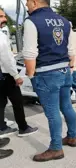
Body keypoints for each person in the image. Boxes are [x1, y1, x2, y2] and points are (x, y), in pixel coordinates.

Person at [23, 0, 76, 162]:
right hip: (65, 70)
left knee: (52, 112)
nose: (26, 6)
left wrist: (31, 76)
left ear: (34, 2)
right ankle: (72, 137)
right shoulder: (64, 21)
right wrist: (69, 67)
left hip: (46, 73)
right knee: (67, 106)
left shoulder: (32, 21)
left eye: (27, 2)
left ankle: (56, 148)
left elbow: (29, 53)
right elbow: (71, 51)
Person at [0, 9, 38, 138]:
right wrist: (16, 76)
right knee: (17, 101)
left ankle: (2, 127)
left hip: (2, 73)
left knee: (1, 101)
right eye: (0, 16)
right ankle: (23, 128)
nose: (4, 19)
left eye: (4, 16)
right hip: (6, 74)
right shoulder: (1, 37)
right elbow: (6, 58)